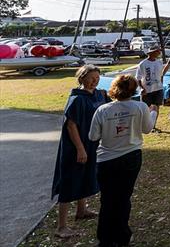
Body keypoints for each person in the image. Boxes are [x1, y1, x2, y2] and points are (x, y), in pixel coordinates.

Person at [89, 74, 157, 247]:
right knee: (123, 197)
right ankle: (121, 236)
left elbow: (93, 136)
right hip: (131, 157)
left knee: (107, 199)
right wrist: (154, 113)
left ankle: (104, 239)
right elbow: (148, 129)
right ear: (133, 89)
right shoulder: (140, 107)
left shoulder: (103, 110)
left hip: (106, 159)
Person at [51, 65, 109, 239]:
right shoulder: (76, 98)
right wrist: (80, 148)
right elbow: (71, 125)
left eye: (97, 78)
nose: (94, 81)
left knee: (86, 175)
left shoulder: (100, 94)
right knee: (70, 180)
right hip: (76, 146)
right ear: (82, 78)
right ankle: (61, 226)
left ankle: (81, 210)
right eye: (91, 78)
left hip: (92, 143)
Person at [136, 46, 163, 132]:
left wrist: (161, 84)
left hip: (158, 88)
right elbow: (138, 78)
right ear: (151, 53)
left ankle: (153, 126)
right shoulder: (143, 64)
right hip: (147, 90)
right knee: (146, 108)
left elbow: (161, 75)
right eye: (157, 51)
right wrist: (142, 88)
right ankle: (144, 125)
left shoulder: (159, 62)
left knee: (156, 107)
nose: (159, 53)